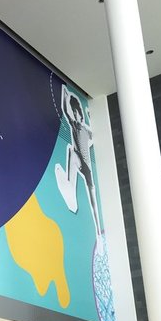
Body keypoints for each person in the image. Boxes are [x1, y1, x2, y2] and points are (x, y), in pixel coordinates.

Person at [54, 84, 102, 236]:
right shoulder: (75, 126)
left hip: (86, 166)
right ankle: (70, 194)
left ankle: (97, 231)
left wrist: (88, 113)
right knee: (71, 151)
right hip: (76, 159)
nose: (74, 116)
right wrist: (65, 93)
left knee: (93, 199)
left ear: (80, 114)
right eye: (73, 113)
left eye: (76, 113)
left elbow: (94, 138)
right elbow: (65, 109)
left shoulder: (84, 129)